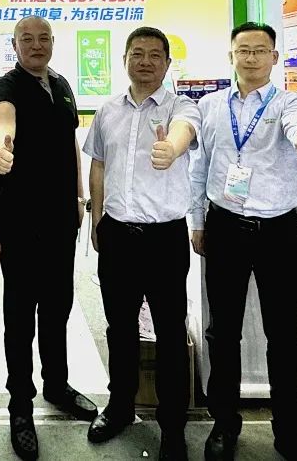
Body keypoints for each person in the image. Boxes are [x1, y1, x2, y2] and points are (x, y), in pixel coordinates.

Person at [189, 22, 297, 461]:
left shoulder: (290, 102)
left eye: (260, 50)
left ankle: (290, 432)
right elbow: (199, 166)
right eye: (243, 50)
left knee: (284, 336)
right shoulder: (210, 106)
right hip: (224, 228)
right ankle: (224, 423)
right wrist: (197, 221)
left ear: (274, 57)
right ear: (231, 56)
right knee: (222, 333)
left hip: (279, 231)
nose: (250, 58)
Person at [81, 26, 200, 461]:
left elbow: (185, 131)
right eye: (137, 53)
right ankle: (119, 407)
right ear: (125, 60)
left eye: (154, 55)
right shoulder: (108, 110)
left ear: (167, 63)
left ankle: (173, 426)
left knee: (170, 333)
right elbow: (98, 164)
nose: (145, 61)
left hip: (164, 238)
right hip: (117, 235)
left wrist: (171, 148)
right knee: (119, 329)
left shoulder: (181, 106)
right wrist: (97, 219)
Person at [0, 15, 96, 460]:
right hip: (21, 223)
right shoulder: (7, 85)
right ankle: (20, 406)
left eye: (43, 39)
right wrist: (2, 146)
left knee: (57, 307)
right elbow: (3, 120)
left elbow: (70, 142)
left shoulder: (62, 84)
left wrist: (79, 194)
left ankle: (57, 384)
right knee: (20, 315)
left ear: (53, 43)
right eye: (27, 39)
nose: (36, 45)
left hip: (60, 220)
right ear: (15, 46)